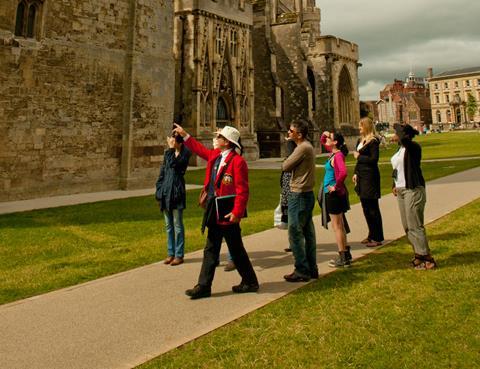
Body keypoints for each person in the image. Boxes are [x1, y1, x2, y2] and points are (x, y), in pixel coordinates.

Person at [173, 123, 259, 299]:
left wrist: (237, 212)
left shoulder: (237, 162)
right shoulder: (216, 156)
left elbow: (243, 190)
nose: (216, 139)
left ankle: (250, 281)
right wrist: (186, 134)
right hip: (214, 209)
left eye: (219, 137)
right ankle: (204, 286)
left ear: (227, 142)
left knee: (236, 249)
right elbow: (199, 150)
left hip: (228, 212)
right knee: (211, 249)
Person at [391, 123, 436, 270]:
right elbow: (397, 168)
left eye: (396, 133)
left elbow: (405, 140)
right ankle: (418, 255)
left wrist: (398, 127)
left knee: (415, 224)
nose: (394, 135)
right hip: (401, 190)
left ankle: (427, 258)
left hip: (413, 189)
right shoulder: (400, 149)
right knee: (407, 225)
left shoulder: (414, 147)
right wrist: (394, 184)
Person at [282, 119, 318, 282]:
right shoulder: (307, 146)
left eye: (291, 131)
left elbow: (286, 166)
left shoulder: (302, 148)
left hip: (299, 194)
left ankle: (302, 269)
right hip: (306, 194)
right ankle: (311, 267)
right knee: (307, 232)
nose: (288, 133)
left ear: (299, 134)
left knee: (295, 232)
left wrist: (289, 145)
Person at [155, 134, 191, 266]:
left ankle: (179, 254)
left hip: (176, 192)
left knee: (177, 225)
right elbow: (163, 172)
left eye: (173, 140)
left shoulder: (185, 154)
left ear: (179, 142)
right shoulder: (168, 153)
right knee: (168, 225)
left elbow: (175, 165)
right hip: (166, 192)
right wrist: (159, 189)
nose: (170, 141)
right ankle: (170, 253)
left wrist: (170, 149)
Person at [319, 131, 352, 268]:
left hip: (333, 195)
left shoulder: (337, 155)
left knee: (337, 226)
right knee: (340, 225)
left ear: (336, 142)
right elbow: (322, 142)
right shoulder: (333, 153)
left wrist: (335, 187)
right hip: (334, 194)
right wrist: (324, 134)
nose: (327, 139)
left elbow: (343, 172)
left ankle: (342, 256)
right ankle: (345, 254)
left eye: (330, 138)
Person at [352, 117, 384, 247]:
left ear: (366, 127)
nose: (359, 128)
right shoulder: (360, 141)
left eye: (360, 126)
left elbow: (373, 159)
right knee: (365, 207)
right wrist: (355, 172)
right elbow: (357, 160)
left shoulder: (373, 141)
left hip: (370, 177)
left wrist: (360, 156)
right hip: (362, 176)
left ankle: (377, 237)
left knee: (372, 208)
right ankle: (371, 234)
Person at [280, 139, 297, 252]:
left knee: (294, 221)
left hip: (292, 194)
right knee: (291, 221)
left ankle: (295, 244)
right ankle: (292, 243)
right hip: (287, 194)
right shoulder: (289, 160)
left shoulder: (292, 161)